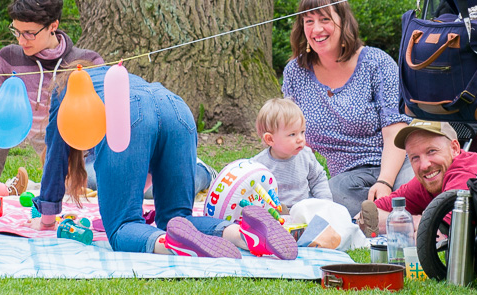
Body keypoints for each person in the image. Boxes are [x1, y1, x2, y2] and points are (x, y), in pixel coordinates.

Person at [37, 65, 297, 259]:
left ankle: (172, 243)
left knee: (123, 226)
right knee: (177, 216)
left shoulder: (67, 88)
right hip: (176, 107)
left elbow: (55, 156)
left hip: (128, 112)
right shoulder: (118, 76)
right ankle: (242, 233)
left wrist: (47, 216)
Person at [280, 0, 411, 216]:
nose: (316, 28)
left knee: (411, 191)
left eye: (324, 19)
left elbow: (396, 132)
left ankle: (393, 217)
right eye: (308, 21)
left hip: (397, 165)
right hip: (347, 180)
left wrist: (385, 183)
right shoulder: (295, 72)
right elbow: (292, 137)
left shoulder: (376, 63)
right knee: (332, 193)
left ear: (343, 22)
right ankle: (394, 220)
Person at [0, 0, 103, 187]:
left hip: (91, 160)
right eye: (16, 31)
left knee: (99, 181)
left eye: (29, 33)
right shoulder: (9, 58)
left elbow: (102, 125)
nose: (21, 40)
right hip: (54, 164)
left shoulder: (87, 61)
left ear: (53, 26)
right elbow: (1, 121)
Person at [361, 120, 477, 234]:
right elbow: (367, 217)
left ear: (454, 148)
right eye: (415, 157)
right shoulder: (428, 179)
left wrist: (416, 223)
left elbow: (439, 235)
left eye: (432, 151)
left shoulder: (466, 173)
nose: (424, 165)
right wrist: (413, 221)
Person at [249, 97, 331, 208]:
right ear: (270, 139)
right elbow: (250, 189)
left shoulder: (306, 156)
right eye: (292, 134)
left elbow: (318, 179)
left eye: (302, 132)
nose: (300, 139)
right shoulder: (258, 165)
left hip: (303, 210)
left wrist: (325, 203)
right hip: (275, 214)